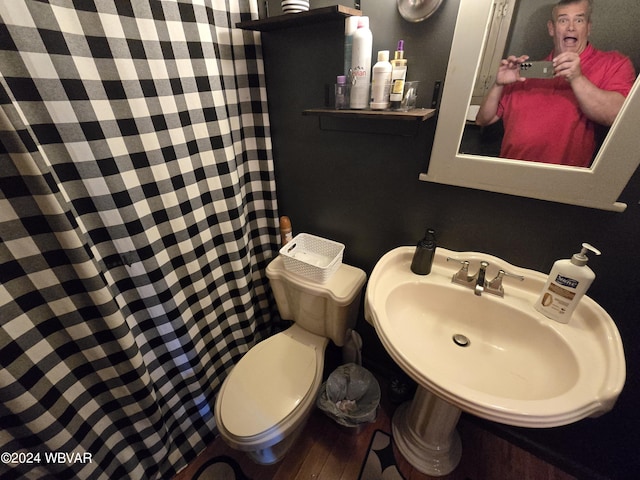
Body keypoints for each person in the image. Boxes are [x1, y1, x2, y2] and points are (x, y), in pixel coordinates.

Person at [475, 0, 636, 167]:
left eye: (579, 20)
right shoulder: (525, 73)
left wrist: (577, 78)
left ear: (588, 27)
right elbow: (483, 119)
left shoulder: (613, 64)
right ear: (552, 28)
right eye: (563, 20)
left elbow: (617, 116)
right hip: (507, 179)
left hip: (561, 185)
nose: (571, 27)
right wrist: (498, 84)